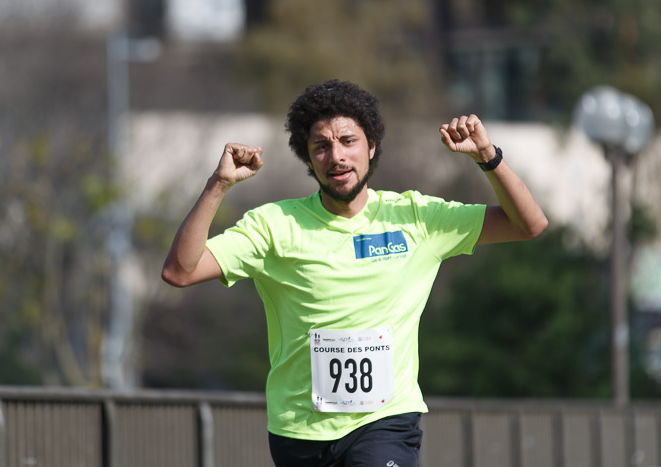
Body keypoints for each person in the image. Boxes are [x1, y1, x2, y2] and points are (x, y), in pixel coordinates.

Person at [161, 79, 548, 466]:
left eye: (348, 141)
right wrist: (218, 185)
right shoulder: (274, 225)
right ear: (308, 158)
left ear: (371, 146)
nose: (337, 156)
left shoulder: (416, 218)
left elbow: (528, 224)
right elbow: (180, 271)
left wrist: (487, 155)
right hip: (299, 433)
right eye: (321, 146)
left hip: (385, 422)